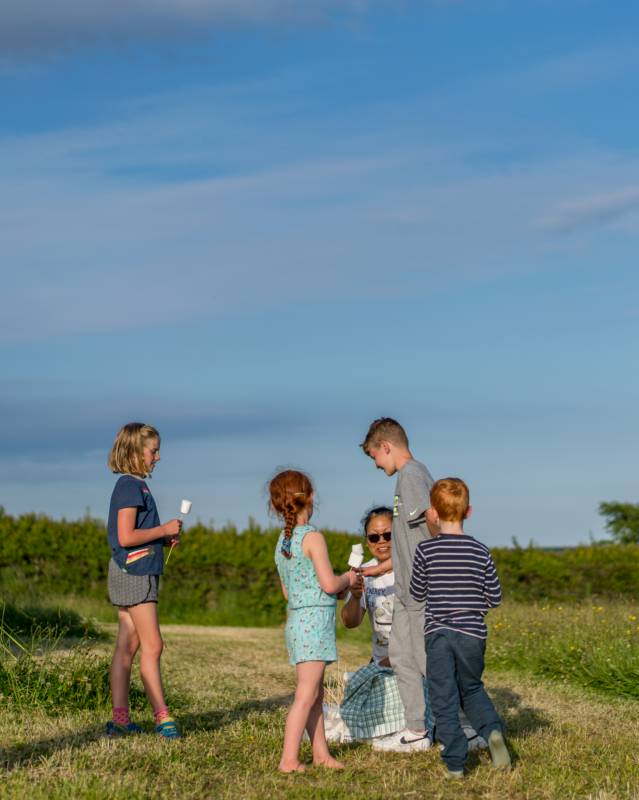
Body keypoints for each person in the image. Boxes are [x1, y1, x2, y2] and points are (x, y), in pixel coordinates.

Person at [410, 477, 511, 778]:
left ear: (433, 514)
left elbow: (417, 592)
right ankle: (492, 731)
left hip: (439, 634)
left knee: (443, 694)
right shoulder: (481, 552)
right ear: (469, 512)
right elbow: (495, 597)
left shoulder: (426, 551)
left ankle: (455, 761)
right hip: (472, 635)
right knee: (471, 688)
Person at [271, 469, 358, 773]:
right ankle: (289, 759)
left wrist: (331, 588)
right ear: (309, 497)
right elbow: (329, 585)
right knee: (306, 694)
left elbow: (288, 591)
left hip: (297, 621)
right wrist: (348, 577)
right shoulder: (313, 537)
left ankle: (321, 754)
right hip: (313, 624)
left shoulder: (283, 542)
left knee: (316, 694)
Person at [360, 417, 436, 751]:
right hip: (406, 591)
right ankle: (416, 731)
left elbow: (434, 523)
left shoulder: (411, 476)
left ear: (386, 447)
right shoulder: (405, 479)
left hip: (421, 592)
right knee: (402, 656)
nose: (376, 464)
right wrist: (381, 570)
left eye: (375, 456)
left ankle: (464, 726)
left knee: (430, 663)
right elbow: (407, 542)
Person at [106, 422, 182, 739]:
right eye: (154, 451)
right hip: (136, 574)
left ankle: (120, 719)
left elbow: (135, 535)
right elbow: (126, 536)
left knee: (129, 645)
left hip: (127, 571)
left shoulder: (134, 485)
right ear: (136, 453)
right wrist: (163, 530)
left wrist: (160, 541)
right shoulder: (130, 486)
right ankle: (162, 718)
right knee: (153, 645)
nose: (158, 457)